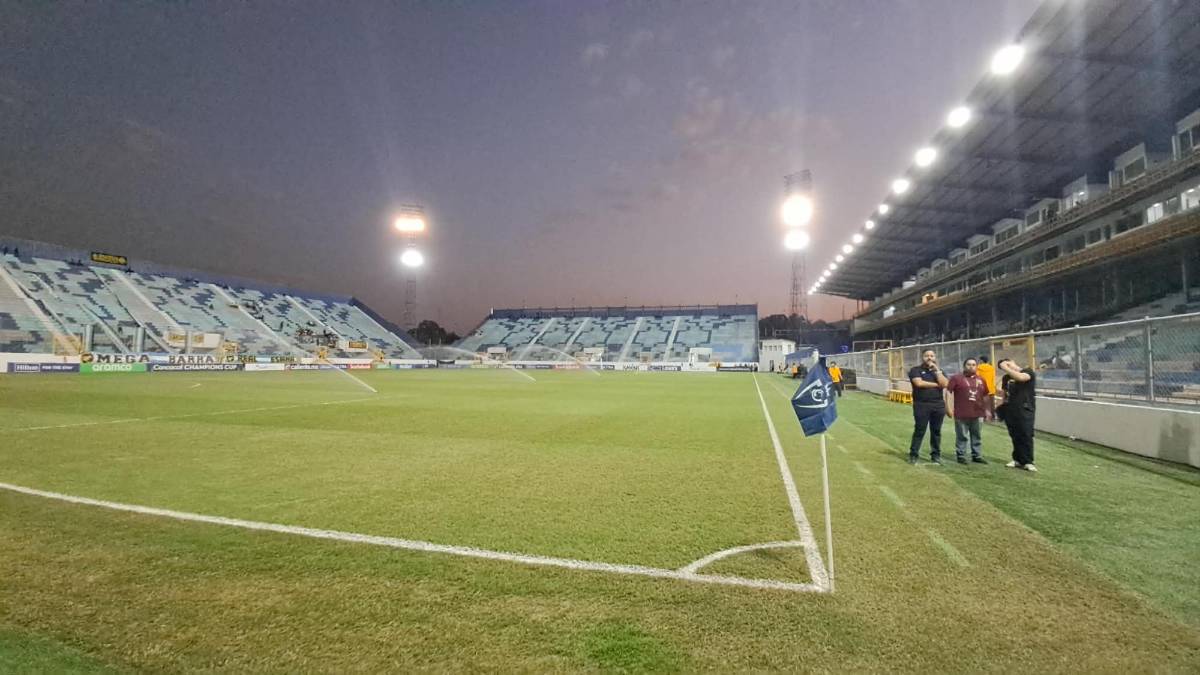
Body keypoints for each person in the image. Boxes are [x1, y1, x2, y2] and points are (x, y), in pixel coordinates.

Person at [946, 358, 991, 465]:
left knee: (977, 435)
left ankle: (977, 455)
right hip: (961, 412)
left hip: (978, 412)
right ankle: (961, 455)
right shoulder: (956, 378)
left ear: (977, 366)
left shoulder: (981, 379)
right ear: (964, 366)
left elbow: (986, 396)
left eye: (974, 365)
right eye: (969, 364)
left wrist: (988, 410)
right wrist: (948, 407)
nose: (971, 366)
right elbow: (948, 392)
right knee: (962, 435)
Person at [997, 357, 1038, 472]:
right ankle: (1017, 459)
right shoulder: (1006, 378)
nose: (1006, 367)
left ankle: (1028, 461)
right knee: (1015, 434)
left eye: (1008, 363)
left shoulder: (1027, 372)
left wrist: (1006, 367)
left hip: (1025, 408)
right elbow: (1004, 394)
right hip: (1011, 409)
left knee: (1026, 433)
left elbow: (1020, 378)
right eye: (1002, 367)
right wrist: (1001, 407)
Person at [908, 349, 949, 464]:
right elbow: (919, 383)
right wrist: (937, 384)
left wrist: (937, 371)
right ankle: (913, 454)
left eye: (932, 356)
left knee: (936, 431)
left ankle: (935, 455)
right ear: (922, 357)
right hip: (922, 404)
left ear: (935, 358)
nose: (929, 358)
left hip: (938, 405)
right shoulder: (916, 370)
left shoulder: (939, 371)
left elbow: (945, 384)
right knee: (920, 430)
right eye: (927, 356)